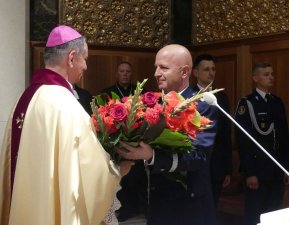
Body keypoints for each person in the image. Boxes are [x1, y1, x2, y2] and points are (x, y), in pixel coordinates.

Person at [0, 25, 133, 225]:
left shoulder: (23, 99)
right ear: (71, 58)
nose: (86, 67)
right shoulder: (65, 104)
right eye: (85, 59)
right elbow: (89, 173)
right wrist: (116, 172)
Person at [117, 44, 218, 225]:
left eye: (163, 67)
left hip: (189, 206)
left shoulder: (202, 106)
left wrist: (152, 155)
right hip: (158, 204)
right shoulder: (152, 104)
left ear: (185, 72)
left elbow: (199, 156)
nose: (156, 73)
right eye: (156, 67)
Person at [235, 63, 289, 225]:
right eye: (266, 74)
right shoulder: (247, 104)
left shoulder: (277, 102)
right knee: (254, 215)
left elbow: (284, 139)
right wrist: (250, 172)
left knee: (274, 213)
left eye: (272, 74)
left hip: (276, 168)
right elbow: (243, 141)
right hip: (257, 169)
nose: (271, 77)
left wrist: (287, 168)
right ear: (255, 78)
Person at [101, 61, 148, 222]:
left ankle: (136, 207)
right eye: (122, 71)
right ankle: (121, 208)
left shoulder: (140, 92)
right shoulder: (107, 93)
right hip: (116, 141)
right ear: (117, 73)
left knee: (136, 175)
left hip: (136, 140)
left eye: (128, 71)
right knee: (120, 175)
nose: (125, 74)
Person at [192, 54, 232, 206]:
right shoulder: (190, 96)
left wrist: (227, 168)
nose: (211, 73)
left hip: (217, 162)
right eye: (206, 69)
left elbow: (226, 134)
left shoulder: (221, 97)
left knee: (213, 204)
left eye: (213, 69)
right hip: (196, 159)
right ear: (196, 72)